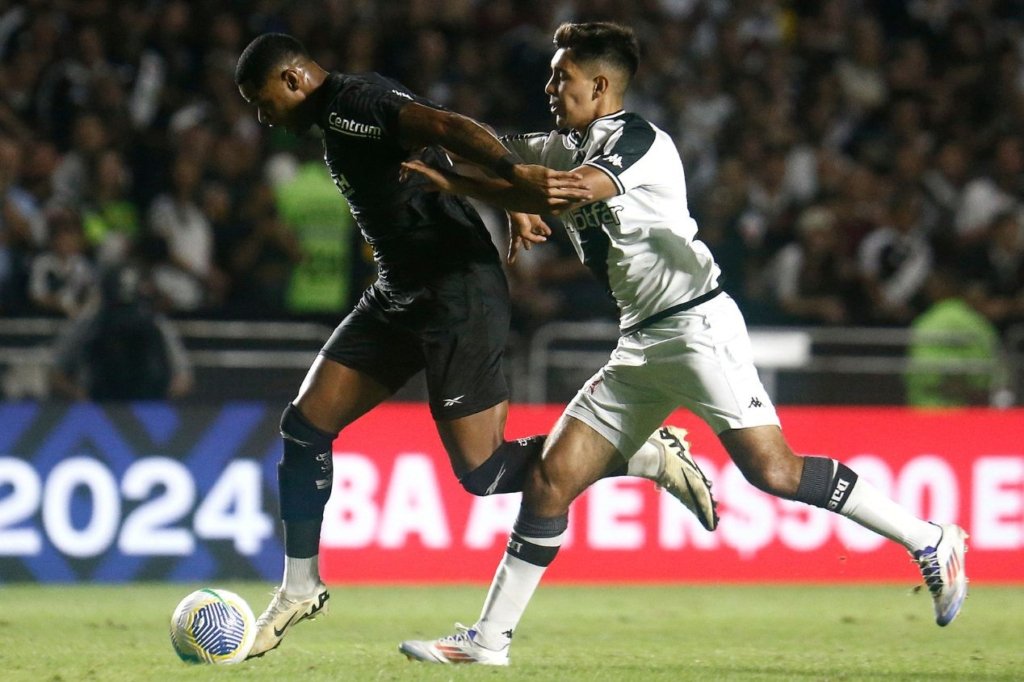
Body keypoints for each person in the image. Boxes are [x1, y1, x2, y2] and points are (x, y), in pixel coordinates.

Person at [399, 22, 968, 667]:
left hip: (696, 327)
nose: (551, 86)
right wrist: (429, 137)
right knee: (553, 478)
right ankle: (489, 641)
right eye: (553, 75)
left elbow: (562, 190)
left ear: (602, 83)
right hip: (640, 341)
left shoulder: (639, 141)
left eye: (564, 76)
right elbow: (494, 149)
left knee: (773, 471)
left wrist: (469, 186)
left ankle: (930, 538)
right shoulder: (561, 143)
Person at [232, 33, 718, 658]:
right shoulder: (351, 109)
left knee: (484, 473)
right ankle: (300, 588)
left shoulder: (353, 105)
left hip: (455, 290)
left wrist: (516, 180)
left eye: (262, 99)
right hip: (399, 291)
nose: (263, 116)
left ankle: (641, 456)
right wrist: (511, 203)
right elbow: (434, 137)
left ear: (294, 80)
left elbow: (448, 125)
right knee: (303, 427)